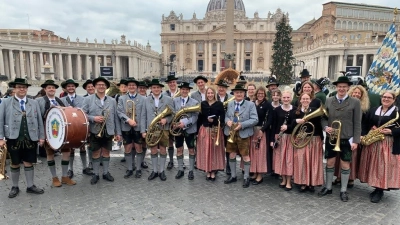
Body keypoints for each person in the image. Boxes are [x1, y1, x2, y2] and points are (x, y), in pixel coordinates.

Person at [0, 78, 45, 198]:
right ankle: (15, 186)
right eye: (19, 87)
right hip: (13, 137)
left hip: (30, 137)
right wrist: (0, 138)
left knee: (28, 162)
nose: (22, 89)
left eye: (24, 87)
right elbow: (0, 121)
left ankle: (30, 186)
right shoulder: (6, 102)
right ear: (14, 88)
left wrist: (41, 137)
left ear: (27, 89)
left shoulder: (33, 102)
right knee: (15, 163)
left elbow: (39, 121)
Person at [319, 76, 361, 202]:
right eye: (339, 86)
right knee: (330, 162)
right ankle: (328, 187)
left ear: (348, 88)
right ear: (336, 87)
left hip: (347, 137)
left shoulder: (355, 102)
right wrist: (326, 127)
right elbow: (323, 117)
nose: (342, 89)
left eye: (344, 86)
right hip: (332, 137)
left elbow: (357, 122)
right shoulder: (329, 100)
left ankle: (343, 190)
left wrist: (356, 141)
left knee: (345, 164)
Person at [359, 90, 400, 203]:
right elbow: (364, 123)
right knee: (374, 165)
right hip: (373, 141)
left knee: (382, 166)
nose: (386, 99)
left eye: (389, 97)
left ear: (394, 99)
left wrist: (391, 131)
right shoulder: (374, 110)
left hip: (387, 142)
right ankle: (376, 186)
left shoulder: (397, 112)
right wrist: (363, 133)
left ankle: (379, 190)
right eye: (384, 97)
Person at [36, 80, 77, 187]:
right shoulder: (39, 101)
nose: (51, 89)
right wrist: (41, 135)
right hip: (48, 132)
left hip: (62, 133)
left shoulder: (60, 100)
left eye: (53, 88)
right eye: (49, 87)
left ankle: (64, 176)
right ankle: (54, 177)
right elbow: (38, 119)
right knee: (50, 154)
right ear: (45, 89)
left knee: (66, 153)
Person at [82, 76, 122, 185]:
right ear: (95, 87)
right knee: (95, 152)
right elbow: (83, 114)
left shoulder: (112, 100)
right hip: (95, 130)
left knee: (106, 152)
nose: (101, 86)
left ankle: (105, 172)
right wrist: (93, 118)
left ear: (106, 87)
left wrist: (118, 133)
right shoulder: (87, 99)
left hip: (108, 130)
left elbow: (115, 118)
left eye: (103, 85)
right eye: (99, 85)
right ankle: (95, 174)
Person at [333, 85, 370, 188]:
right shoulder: (347, 103)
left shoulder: (364, 108)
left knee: (351, 159)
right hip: (343, 133)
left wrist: (359, 136)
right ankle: (339, 177)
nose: (356, 94)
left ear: (362, 95)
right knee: (340, 157)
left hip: (354, 136)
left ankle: (350, 178)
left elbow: (364, 124)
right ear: (351, 93)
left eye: (359, 93)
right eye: (355, 92)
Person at [224, 84, 258, 188]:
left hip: (243, 133)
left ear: (244, 94)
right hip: (231, 133)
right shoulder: (230, 104)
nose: (239, 94)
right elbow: (226, 116)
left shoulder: (250, 105)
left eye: (241, 92)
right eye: (237, 92)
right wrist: (227, 122)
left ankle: (246, 177)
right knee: (232, 154)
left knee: (245, 156)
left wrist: (242, 125)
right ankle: (233, 176)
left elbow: (255, 119)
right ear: (234, 93)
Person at [140, 79, 174, 181]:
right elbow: (143, 116)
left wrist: (166, 120)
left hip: (163, 129)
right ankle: (154, 170)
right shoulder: (146, 100)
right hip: (151, 130)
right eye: (154, 87)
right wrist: (143, 131)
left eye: (158, 87)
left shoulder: (168, 99)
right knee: (153, 150)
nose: (156, 89)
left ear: (161, 88)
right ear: (151, 89)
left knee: (163, 149)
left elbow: (173, 113)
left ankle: (162, 171)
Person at [60, 79, 93, 178]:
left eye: (72, 86)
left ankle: (84, 167)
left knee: (82, 146)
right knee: (70, 149)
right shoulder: (61, 100)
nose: (71, 88)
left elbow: (85, 112)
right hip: (69, 127)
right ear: (65, 88)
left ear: (75, 87)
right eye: (69, 86)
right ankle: (71, 169)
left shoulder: (82, 99)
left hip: (80, 126)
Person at [292, 92, 324, 192]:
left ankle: (311, 183)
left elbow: (319, 125)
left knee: (312, 161)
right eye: (303, 99)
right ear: (300, 100)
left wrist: (322, 139)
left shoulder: (314, 110)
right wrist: (296, 121)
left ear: (310, 100)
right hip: (301, 139)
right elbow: (291, 123)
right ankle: (302, 182)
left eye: (307, 99)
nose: (305, 101)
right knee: (302, 161)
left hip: (314, 138)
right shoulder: (296, 111)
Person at [117, 78, 145, 178]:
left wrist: (143, 129)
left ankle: (138, 169)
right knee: (127, 148)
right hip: (126, 127)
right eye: (130, 85)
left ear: (136, 87)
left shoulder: (143, 99)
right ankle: (129, 168)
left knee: (138, 148)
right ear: (127, 87)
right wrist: (128, 120)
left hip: (138, 127)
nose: (132, 87)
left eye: (134, 85)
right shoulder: (121, 98)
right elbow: (119, 112)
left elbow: (143, 115)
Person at [196, 87, 225, 181]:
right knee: (206, 150)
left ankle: (213, 171)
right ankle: (207, 170)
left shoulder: (219, 104)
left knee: (214, 151)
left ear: (214, 94)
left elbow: (222, 118)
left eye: (211, 93)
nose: (210, 95)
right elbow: (200, 118)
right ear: (206, 94)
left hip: (215, 130)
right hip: (205, 129)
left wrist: (215, 120)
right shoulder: (203, 104)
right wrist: (197, 132)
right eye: (208, 93)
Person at [172, 82, 199, 180]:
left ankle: (191, 171)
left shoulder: (194, 102)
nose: (184, 91)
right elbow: (172, 114)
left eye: (186, 89)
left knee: (191, 149)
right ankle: (180, 169)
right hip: (178, 129)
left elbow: (195, 116)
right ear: (180, 90)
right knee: (179, 149)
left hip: (189, 129)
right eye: (182, 89)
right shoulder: (174, 101)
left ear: (189, 91)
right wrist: (175, 123)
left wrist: (185, 123)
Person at [270, 90, 297, 191]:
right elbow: (274, 126)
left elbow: (296, 125)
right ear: (281, 98)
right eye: (284, 98)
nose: (286, 99)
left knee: (289, 160)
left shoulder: (294, 109)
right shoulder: (276, 110)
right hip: (279, 137)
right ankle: (284, 179)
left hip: (290, 137)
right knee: (281, 159)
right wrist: (272, 139)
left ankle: (289, 181)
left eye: (288, 98)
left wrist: (288, 127)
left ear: (291, 98)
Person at [248, 86, 272, 184]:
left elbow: (269, 120)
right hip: (252, 130)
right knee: (253, 153)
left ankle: (260, 175)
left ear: (265, 95)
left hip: (261, 131)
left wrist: (262, 130)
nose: (260, 95)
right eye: (259, 94)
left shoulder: (268, 104)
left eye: (262, 94)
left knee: (260, 153)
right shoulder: (253, 103)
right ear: (256, 94)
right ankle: (254, 172)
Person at [215, 80, 232, 175]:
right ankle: (216, 165)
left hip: (226, 126)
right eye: (220, 87)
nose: (221, 89)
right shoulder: (213, 97)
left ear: (226, 89)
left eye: (223, 87)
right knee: (216, 147)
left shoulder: (231, 98)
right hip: (215, 126)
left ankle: (228, 165)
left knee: (228, 147)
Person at [164, 74, 179, 170]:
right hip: (168, 121)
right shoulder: (164, 94)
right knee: (169, 142)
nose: (172, 84)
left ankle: (180, 162)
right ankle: (171, 161)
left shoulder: (182, 92)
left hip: (179, 121)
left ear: (176, 83)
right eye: (170, 83)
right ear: (168, 84)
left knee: (179, 143)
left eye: (173, 82)